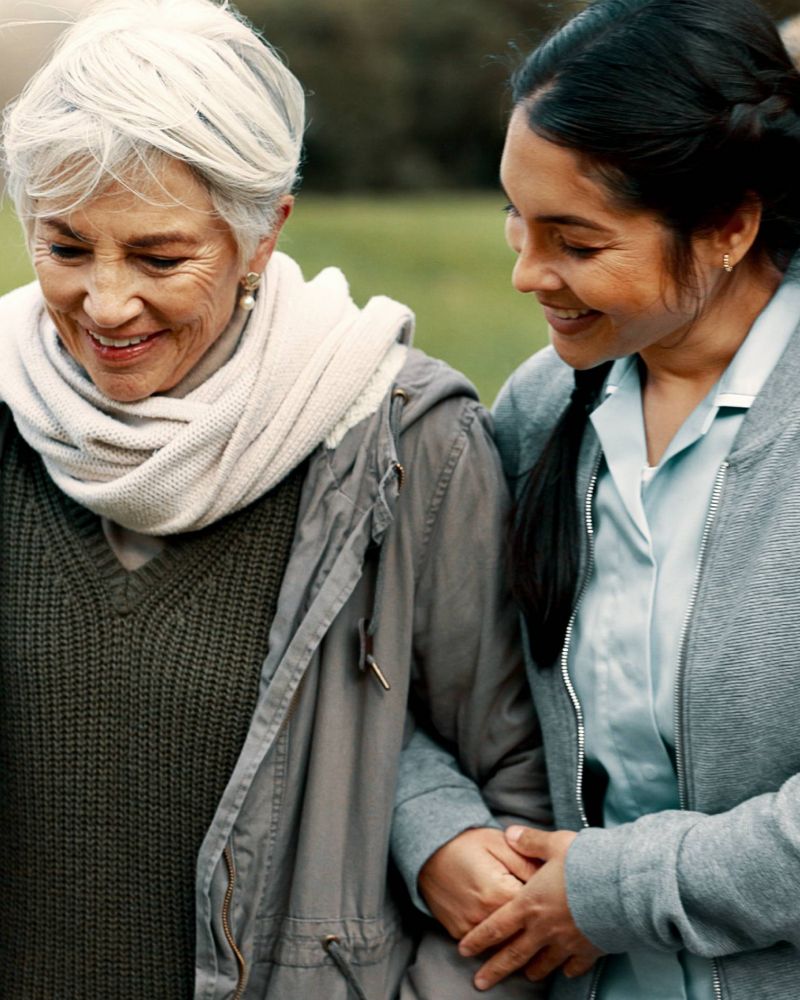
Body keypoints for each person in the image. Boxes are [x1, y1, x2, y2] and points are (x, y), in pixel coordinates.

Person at [0, 0, 550, 996]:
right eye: (66, 249)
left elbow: (518, 809)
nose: (107, 302)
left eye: (162, 257)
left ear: (263, 233)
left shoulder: (405, 441)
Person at [406, 0, 800, 997]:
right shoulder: (537, 412)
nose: (524, 272)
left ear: (726, 225)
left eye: (574, 243)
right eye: (514, 217)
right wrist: (433, 827)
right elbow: (402, 673)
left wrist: (610, 891)